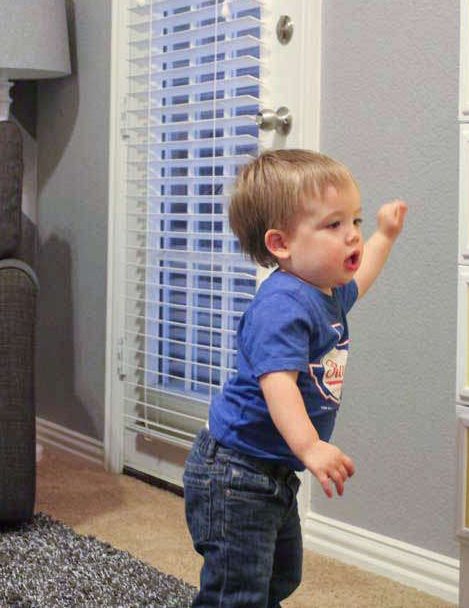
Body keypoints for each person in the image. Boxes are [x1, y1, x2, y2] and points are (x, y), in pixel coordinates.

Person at [183, 148, 407, 607]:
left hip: (273, 471)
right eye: (333, 224)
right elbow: (278, 384)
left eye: (356, 220)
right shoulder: (282, 306)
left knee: (281, 577)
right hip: (235, 472)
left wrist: (385, 235)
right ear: (281, 244)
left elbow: (362, 275)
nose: (353, 235)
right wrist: (310, 446)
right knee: (236, 591)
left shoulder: (326, 292)